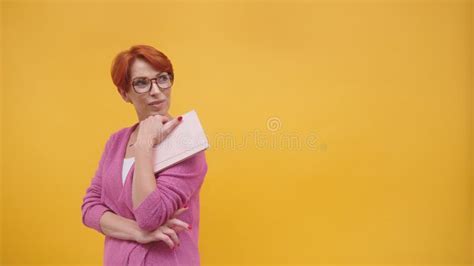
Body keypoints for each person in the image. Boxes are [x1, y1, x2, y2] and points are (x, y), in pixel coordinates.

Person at [81, 44, 208, 265]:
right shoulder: (116, 141)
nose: (156, 90)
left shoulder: (187, 143)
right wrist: (136, 232)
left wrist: (144, 145)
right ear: (124, 94)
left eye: (163, 78)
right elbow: (90, 208)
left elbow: (150, 216)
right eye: (141, 83)